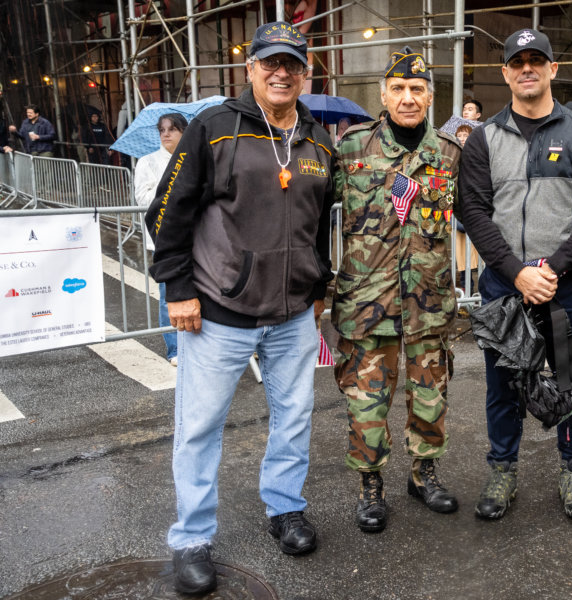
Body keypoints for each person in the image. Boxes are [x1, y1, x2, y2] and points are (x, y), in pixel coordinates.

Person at [145, 22, 336, 595]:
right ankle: (193, 538)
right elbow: (166, 214)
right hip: (219, 313)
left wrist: (318, 284)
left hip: (294, 315)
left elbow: (319, 224)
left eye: (293, 64)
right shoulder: (214, 127)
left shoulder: (319, 139)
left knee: (295, 417)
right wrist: (177, 289)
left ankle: (285, 509)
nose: (281, 73)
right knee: (200, 428)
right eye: (269, 62)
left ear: (306, 72)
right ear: (249, 67)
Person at [458, 29, 572, 521]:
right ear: (505, 73)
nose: (527, 68)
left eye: (536, 60)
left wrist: (553, 267)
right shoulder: (484, 139)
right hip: (505, 289)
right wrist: (516, 272)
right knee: (502, 388)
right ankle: (503, 469)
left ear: (552, 69)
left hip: (564, 290)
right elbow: (475, 212)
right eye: (517, 61)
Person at [332, 45, 462, 534]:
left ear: (430, 97)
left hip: (428, 303)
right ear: (383, 94)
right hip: (368, 304)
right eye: (399, 89)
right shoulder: (352, 148)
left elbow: (480, 219)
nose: (408, 98)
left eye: (418, 90)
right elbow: (306, 214)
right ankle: (370, 484)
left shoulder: (449, 154)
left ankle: (424, 473)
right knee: (367, 403)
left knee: (430, 398)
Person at [133, 113, 189, 366]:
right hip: (163, 239)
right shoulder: (147, 162)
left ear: (184, 132)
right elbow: (142, 199)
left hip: (194, 236)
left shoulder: (193, 159)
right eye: (162, 130)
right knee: (169, 294)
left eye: (173, 129)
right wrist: (169, 188)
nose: (166, 134)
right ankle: (174, 349)